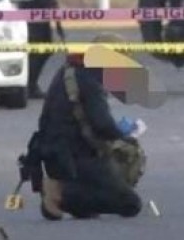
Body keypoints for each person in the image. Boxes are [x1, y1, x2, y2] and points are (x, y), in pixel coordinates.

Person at [35, 48, 143, 220]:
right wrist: (126, 133)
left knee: (93, 200)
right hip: (77, 154)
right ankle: (60, 195)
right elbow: (103, 125)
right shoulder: (90, 81)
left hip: (56, 151)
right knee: (131, 204)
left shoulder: (68, 71)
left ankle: (75, 196)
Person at [14, 0, 63, 99]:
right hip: (32, 13)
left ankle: (30, 83)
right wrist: (47, 3)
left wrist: (53, 8)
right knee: (36, 49)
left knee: (46, 48)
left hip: (44, 12)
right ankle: (27, 84)